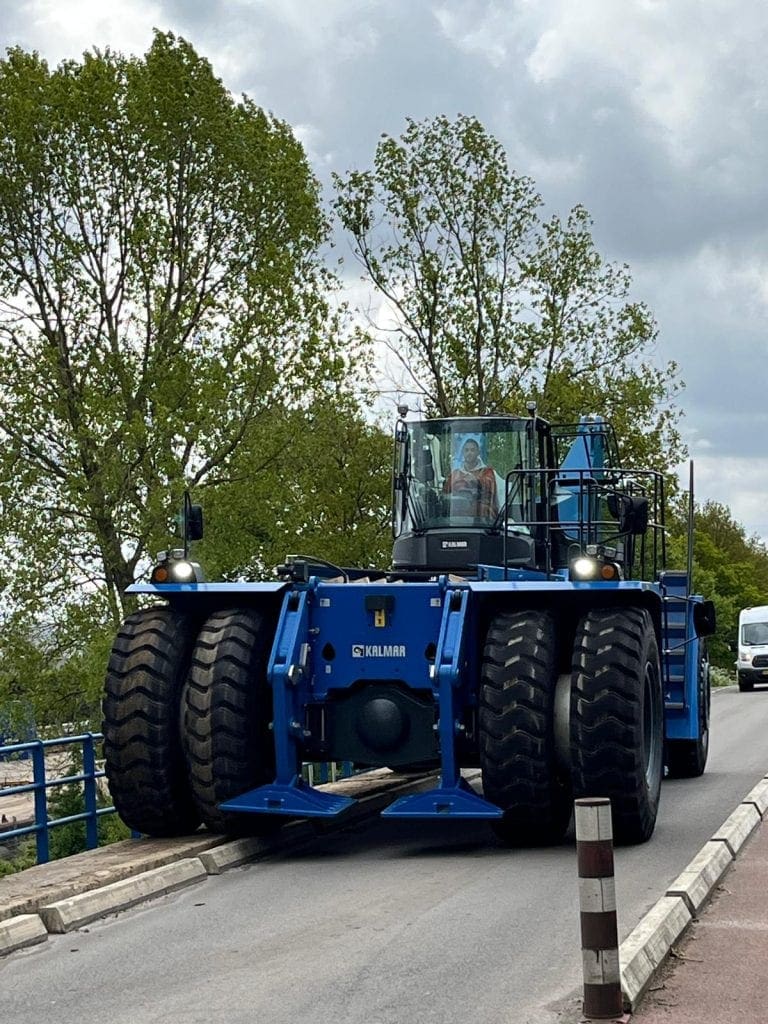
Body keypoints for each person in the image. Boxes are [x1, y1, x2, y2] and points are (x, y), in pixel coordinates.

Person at [443, 436, 499, 518]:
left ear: (478, 452)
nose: (469, 453)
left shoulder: (487, 472)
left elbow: (490, 485)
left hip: (482, 519)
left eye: (472, 450)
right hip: (457, 519)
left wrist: (476, 480)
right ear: (463, 452)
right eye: (466, 450)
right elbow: (445, 495)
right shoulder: (455, 474)